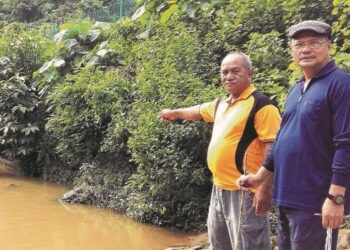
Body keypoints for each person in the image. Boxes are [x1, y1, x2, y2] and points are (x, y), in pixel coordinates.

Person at [237, 20, 350, 250]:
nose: (306, 49)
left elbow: (346, 144)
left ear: (329, 46)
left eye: (314, 43)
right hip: (287, 195)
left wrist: (336, 198)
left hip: (316, 201)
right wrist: (261, 176)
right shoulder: (296, 87)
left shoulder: (341, 85)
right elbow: (281, 138)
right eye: (299, 44)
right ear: (292, 51)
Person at [159, 52, 281, 250]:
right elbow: (197, 111)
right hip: (219, 187)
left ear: (249, 73)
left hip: (245, 191)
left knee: (249, 245)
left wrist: (264, 190)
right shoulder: (221, 104)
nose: (228, 76)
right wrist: (174, 113)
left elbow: (274, 149)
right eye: (224, 72)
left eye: (235, 71)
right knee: (219, 243)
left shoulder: (261, 106)